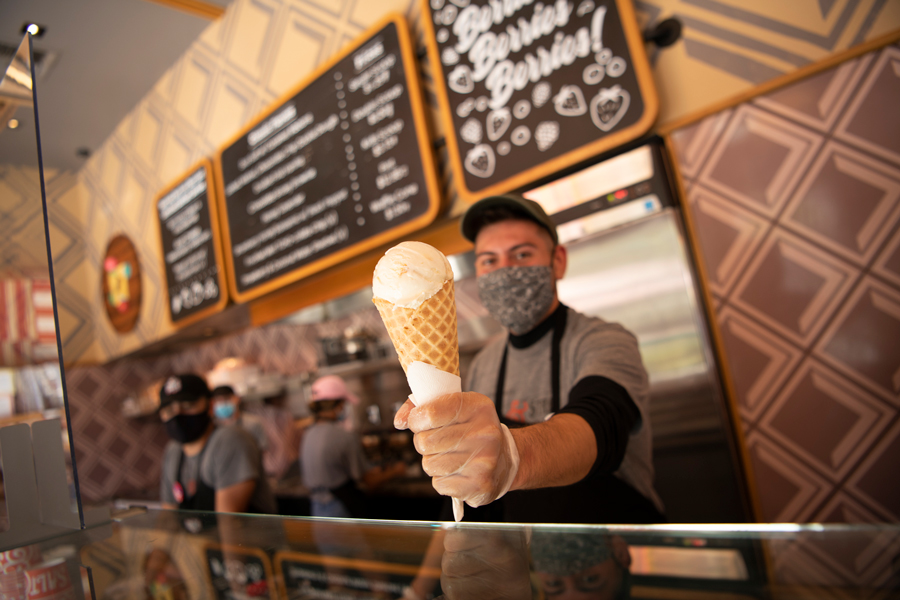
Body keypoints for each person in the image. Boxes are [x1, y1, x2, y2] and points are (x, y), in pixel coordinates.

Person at [394, 194, 664, 524]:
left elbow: (603, 423)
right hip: (528, 562)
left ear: (558, 261)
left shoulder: (603, 340)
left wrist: (510, 456)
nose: (505, 272)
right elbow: (466, 482)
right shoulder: (484, 363)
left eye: (522, 254)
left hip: (618, 546)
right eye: (489, 261)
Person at [158, 373, 276, 514]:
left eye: (188, 405)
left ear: (210, 405)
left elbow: (228, 523)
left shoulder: (230, 440)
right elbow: (169, 516)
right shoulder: (173, 451)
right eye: (169, 410)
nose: (178, 415)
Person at [301, 375, 405, 518]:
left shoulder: (308, 434)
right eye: (344, 404)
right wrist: (396, 470)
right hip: (340, 510)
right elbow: (369, 482)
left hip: (316, 511)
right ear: (337, 406)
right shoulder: (344, 436)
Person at [210, 385, 268, 452]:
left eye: (226, 399)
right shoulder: (211, 426)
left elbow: (262, 449)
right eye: (218, 400)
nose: (222, 403)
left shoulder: (252, 423)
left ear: (236, 399)